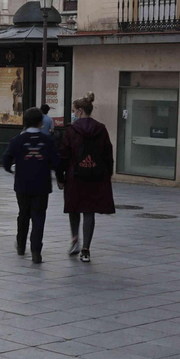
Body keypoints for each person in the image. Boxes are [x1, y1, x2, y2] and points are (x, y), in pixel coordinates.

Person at [60, 92, 116, 263]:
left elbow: (64, 155)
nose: (73, 113)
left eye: (74, 110)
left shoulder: (71, 130)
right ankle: (86, 250)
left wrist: (60, 176)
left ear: (80, 111)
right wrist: (108, 173)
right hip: (95, 175)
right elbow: (108, 153)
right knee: (89, 210)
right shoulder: (101, 129)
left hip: (74, 175)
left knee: (74, 207)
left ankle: (75, 239)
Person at [3, 107, 62, 264]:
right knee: (39, 217)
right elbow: (57, 162)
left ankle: (21, 245)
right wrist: (60, 178)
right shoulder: (48, 141)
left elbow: (6, 159)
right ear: (41, 123)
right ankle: (36, 250)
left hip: (22, 184)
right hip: (42, 185)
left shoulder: (18, 140)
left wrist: (11, 169)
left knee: (23, 214)